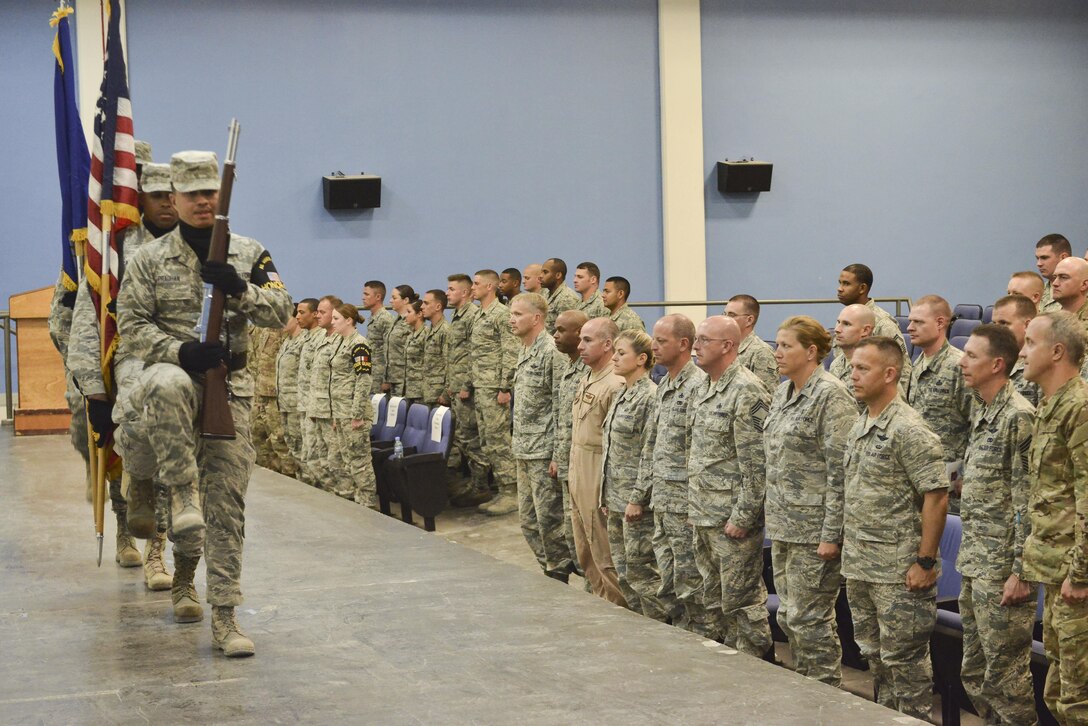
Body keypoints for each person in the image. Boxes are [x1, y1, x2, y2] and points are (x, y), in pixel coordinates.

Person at [117, 150, 292, 656]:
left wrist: (239, 289)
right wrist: (179, 350)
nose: (202, 201)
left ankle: (225, 616)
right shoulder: (148, 259)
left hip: (228, 391)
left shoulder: (248, 252)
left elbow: (282, 309)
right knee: (172, 389)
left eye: (210, 192)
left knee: (227, 507)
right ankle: (177, 496)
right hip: (169, 386)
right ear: (172, 198)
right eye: (192, 193)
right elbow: (130, 327)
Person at [65, 160, 178, 582]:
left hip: (177, 371)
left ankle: (158, 553)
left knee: (171, 467)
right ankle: (124, 532)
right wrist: (92, 389)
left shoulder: (196, 244)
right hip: (122, 367)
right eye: (157, 195)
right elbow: (86, 316)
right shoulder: (114, 247)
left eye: (173, 195)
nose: (167, 203)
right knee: (124, 455)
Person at [842, 336, 947, 719]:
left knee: (905, 664)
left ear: (889, 374)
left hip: (898, 570)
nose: (853, 375)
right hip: (862, 564)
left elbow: (936, 497)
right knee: (875, 656)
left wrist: (925, 561)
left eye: (862, 368)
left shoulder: (908, 429)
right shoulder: (862, 421)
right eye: (852, 367)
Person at [764, 316, 856, 685]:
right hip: (785, 524)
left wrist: (831, 534)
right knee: (789, 617)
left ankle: (825, 693)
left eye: (787, 346)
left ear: (812, 351)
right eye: (777, 344)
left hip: (814, 530)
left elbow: (841, 471)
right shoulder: (782, 392)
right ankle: (805, 689)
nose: (778, 352)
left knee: (810, 619)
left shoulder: (830, 395)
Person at [956, 324, 1038, 724]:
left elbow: (1028, 501)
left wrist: (1021, 571)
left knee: (1008, 681)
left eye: (971, 355)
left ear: (998, 364)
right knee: (976, 673)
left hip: (1003, 568)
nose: (962, 361)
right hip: (976, 562)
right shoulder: (983, 408)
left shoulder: (1019, 417)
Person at [688, 315, 772, 654]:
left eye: (704, 340)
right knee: (713, 597)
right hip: (704, 511)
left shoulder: (747, 390)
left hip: (731, 519)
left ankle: (756, 665)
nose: (695, 346)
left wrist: (744, 517)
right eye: (695, 338)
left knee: (741, 602)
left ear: (727, 346)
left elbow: (757, 464)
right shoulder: (705, 385)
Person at [1020, 311, 1088, 722]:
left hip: (1075, 579)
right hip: (1056, 570)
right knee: (1059, 692)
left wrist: (1081, 575)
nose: (1022, 351)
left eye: (1030, 342)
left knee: (1078, 701)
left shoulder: (1079, 408)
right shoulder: (1050, 406)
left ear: (1057, 351)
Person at [634, 314, 704, 631]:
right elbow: (654, 445)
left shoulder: (698, 387)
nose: (654, 346)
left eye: (661, 341)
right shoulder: (666, 384)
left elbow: (701, 453)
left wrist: (695, 505)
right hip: (663, 501)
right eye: (654, 338)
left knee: (692, 586)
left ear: (684, 344)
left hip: (685, 504)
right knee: (670, 582)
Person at [600, 330, 669, 620]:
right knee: (626, 574)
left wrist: (638, 498)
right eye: (614, 351)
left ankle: (661, 629)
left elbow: (650, 452)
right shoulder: (621, 393)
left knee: (643, 575)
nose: (614, 357)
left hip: (634, 503)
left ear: (642, 359)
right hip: (615, 497)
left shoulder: (649, 398)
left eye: (621, 353)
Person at [510, 293, 572, 581]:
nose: (512, 319)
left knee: (551, 523)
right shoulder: (523, 349)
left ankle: (562, 575)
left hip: (544, 452)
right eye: (511, 313)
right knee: (528, 522)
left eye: (518, 314)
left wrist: (559, 454)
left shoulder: (552, 352)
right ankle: (551, 570)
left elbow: (562, 405)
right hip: (523, 448)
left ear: (536, 318)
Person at [569, 317, 627, 604]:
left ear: (608, 345)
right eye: (580, 339)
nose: (580, 346)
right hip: (578, 470)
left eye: (587, 340)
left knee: (604, 553)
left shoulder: (615, 384)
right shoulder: (587, 378)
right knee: (584, 551)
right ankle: (600, 604)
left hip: (597, 474)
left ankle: (620, 611)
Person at [905, 295, 972, 508]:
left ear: (940, 323)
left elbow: (979, 422)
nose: (910, 327)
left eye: (918, 322)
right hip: (919, 476)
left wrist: (967, 474)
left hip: (949, 485)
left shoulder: (958, 366)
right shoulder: (917, 364)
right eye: (910, 321)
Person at [470, 269, 520, 515]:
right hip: (481, 385)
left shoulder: (501, 314)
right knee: (487, 441)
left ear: (490, 286)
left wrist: (505, 386)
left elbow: (509, 351)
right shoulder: (480, 314)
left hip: (494, 387)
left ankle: (512, 492)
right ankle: (501, 489)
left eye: (477, 283)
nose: (473, 287)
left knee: (499, 440)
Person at [549, 310, 589, 573]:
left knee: (587, 536)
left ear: (580, 333)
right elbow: (560, 417)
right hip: (566, 462)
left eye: (562, 330)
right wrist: (557, 456)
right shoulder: (569, 366)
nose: (555, 335)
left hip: (584, 467)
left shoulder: (592, 372)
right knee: (571, 532)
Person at [444, 274, 489, 506]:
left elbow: (476, 353)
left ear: (464, 293)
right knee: (462, 437)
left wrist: (466, 384)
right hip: (457, 387)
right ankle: (474, 482)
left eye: (451, 289)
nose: (448, 293)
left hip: (466, 389)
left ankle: (481, 486)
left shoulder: (472, 316)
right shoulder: (458, 315)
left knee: (471, 439)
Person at [327, 303, 377, 506]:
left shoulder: (359, 344)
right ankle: (355, 501)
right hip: (340, 411)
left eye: (336, 318)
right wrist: (335, 415)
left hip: (353, 413)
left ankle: (367, 502)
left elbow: (363, 380)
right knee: (346, 459)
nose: (332, 322)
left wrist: (357, 414)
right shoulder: (340, 342)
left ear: (349, 320)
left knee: (359, 461)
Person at [834, 263, 913, 380]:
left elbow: (903, 371)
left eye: (846, 284)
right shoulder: (843, 318)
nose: (840, 288)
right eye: (840, 283)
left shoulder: (882, 322)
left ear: (862, 288)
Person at [303, 295, 344, 491]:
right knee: (318, 461)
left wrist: (338, 413)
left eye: (322, 312)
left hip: (332, 412)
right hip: (317, 409)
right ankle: (332, 498)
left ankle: (346, 500)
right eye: (317, 312)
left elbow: (342, 380)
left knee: (336, 463)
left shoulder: (341, 341)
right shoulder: (322, 338)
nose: (318, 315)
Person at [276, 301, 315, 478]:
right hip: (284, 402)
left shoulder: (303, 342)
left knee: (302, 447)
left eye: (285, 318)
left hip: (297, 404)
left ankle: (309, 486)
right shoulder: (287, 341)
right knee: (292, 446)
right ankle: (301, 482)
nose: (280, 322)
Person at [247, 322, 288, 473]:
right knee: (257, 437)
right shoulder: (255, 330)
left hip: (275, 394)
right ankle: (269, 472)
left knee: (279, 439)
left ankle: (288, 478)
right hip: (258, 391)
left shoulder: (283, 329)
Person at [294, 297, 326, 485]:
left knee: (316, 458)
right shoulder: (305, 337)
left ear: (314, 314)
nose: (298, 316)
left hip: (316, 407)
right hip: (304, 404)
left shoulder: (322, 338)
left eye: (302, 312)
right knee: (305, 456)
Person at [992, 293, 1041, 406]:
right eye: (994, 323)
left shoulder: (1040, 366)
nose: (996, 330)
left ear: (1027, 325)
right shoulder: (991, 361)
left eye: (1004, 323)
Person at [724, 294, 779, 393]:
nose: (726, 319)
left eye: (732, 315)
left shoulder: (762, 352)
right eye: (725, 314)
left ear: (749, 320)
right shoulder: (725, 347)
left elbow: (767, 396)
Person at [829, 303, 875, 404]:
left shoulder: (876, 366)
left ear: (865, 330)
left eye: (846, 324)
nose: (837, 329)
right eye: (838, 322)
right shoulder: (836, 364)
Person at [382, 285, 417, 395]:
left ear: (405, 300)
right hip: (392, 380)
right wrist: (386, 378)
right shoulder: (395, 321)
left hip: (405, 380)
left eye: (394, 298)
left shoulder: (411, 322)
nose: (390, 300)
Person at [421, 289, 450, 408]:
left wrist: (446, 394)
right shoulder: (430, 330)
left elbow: (449, 363)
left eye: (426, 303)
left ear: (438, 306)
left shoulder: (445, 330)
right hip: (427, 392)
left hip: (438, 396)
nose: (422, 306)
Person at [362, 281, 393, 395]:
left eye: (367, 294)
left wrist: (386, 379)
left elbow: (389, 351)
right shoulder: (373, 317)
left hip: (380, 376)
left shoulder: (385, 318)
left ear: (378, 297)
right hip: (372, 373)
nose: (363, 298)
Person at [540, 258, 581, 332]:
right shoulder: (545, 292)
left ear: (558, 275)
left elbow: (567, 331)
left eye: (545, 272)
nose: (540, 276)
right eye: (541, 272)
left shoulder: (567, 298)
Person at [1035, 233, 1072, 312]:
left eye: (1044, 258)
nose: (1039, 264)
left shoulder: (1078, 291)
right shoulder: (1038, 292)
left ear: (1063, 258)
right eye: (1037, 258)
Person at [401, 299, 426, 405]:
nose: (405, 315)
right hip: (408, 389)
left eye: (409, 312)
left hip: (420, 391)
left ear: (419, 314)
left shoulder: (426, 334)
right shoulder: (411, 334)